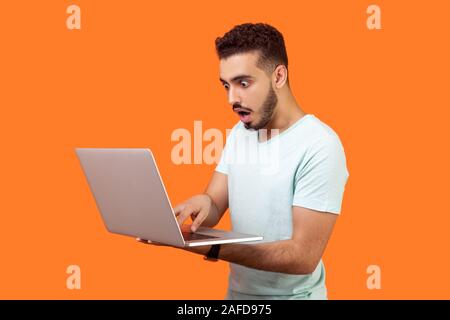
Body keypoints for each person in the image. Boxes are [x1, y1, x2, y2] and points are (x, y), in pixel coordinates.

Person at [140, 23, 349, 300]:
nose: (231, 99)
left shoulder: (320, 145)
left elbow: (302, 257)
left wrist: (206, 247)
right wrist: (201, 204)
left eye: (244, 83)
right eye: (226, 85)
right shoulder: (242, 131)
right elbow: (214, 204)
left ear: (279, 76)